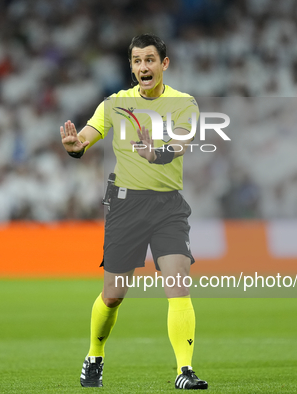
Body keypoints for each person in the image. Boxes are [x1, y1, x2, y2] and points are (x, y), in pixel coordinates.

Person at [60, 34, 207, 390]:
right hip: (126, 205)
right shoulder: (114, 104)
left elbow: (180, 144)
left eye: (150, 60)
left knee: (178, 282)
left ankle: (184, 371)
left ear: (164, 64)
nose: (144, 67)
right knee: (113, 294)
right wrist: (75, 146)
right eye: (138, 61)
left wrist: (155, 153)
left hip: (168, 205)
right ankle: (95, 354)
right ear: (132, 66)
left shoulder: (184, 103)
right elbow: (85, 139)